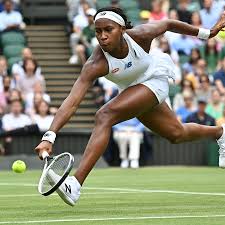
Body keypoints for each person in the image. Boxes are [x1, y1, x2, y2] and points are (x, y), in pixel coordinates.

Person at [35, 7, 225, 206]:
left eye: (108, 29)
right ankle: (220, 133)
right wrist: (49, 135)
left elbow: (168, 23)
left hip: (155, 78)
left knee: (104, 115)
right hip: (133, 90)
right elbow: (72, 102)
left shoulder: (141, 35)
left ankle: (75, 185)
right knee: (177, 134)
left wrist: (208, 33)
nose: (103, 36)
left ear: (122, 29)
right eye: (98, 31)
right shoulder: (95, 64)